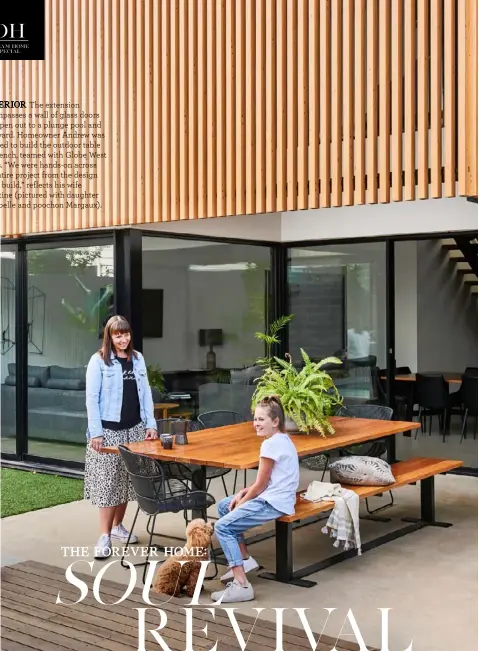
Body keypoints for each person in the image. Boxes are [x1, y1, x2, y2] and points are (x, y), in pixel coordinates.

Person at [211, 396, 299, 603]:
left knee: (223, 527)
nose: (256, 423)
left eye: (261, 419)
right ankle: (244, 559)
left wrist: (244, 501)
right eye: (255, 419)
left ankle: (241, 584)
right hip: (278, 495)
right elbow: (265, 481)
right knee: (225, 505)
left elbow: (260, 485)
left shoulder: (270, 445)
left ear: (275, 421)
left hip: (274, 502)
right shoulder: (283, 439)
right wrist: (245, 492)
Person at [84, 314, 158, 558]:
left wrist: (151, 424)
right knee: (108, 483)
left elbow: (145, 393)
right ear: (110, 336)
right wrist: (96, 432)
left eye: (126, 334)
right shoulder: (99, 361)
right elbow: (92, 399)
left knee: (127, 482)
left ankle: (117, 527)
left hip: (134, 430)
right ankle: (104, 536)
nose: (123, 338)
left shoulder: (137, 359)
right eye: (118, 334)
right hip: (108, 432)